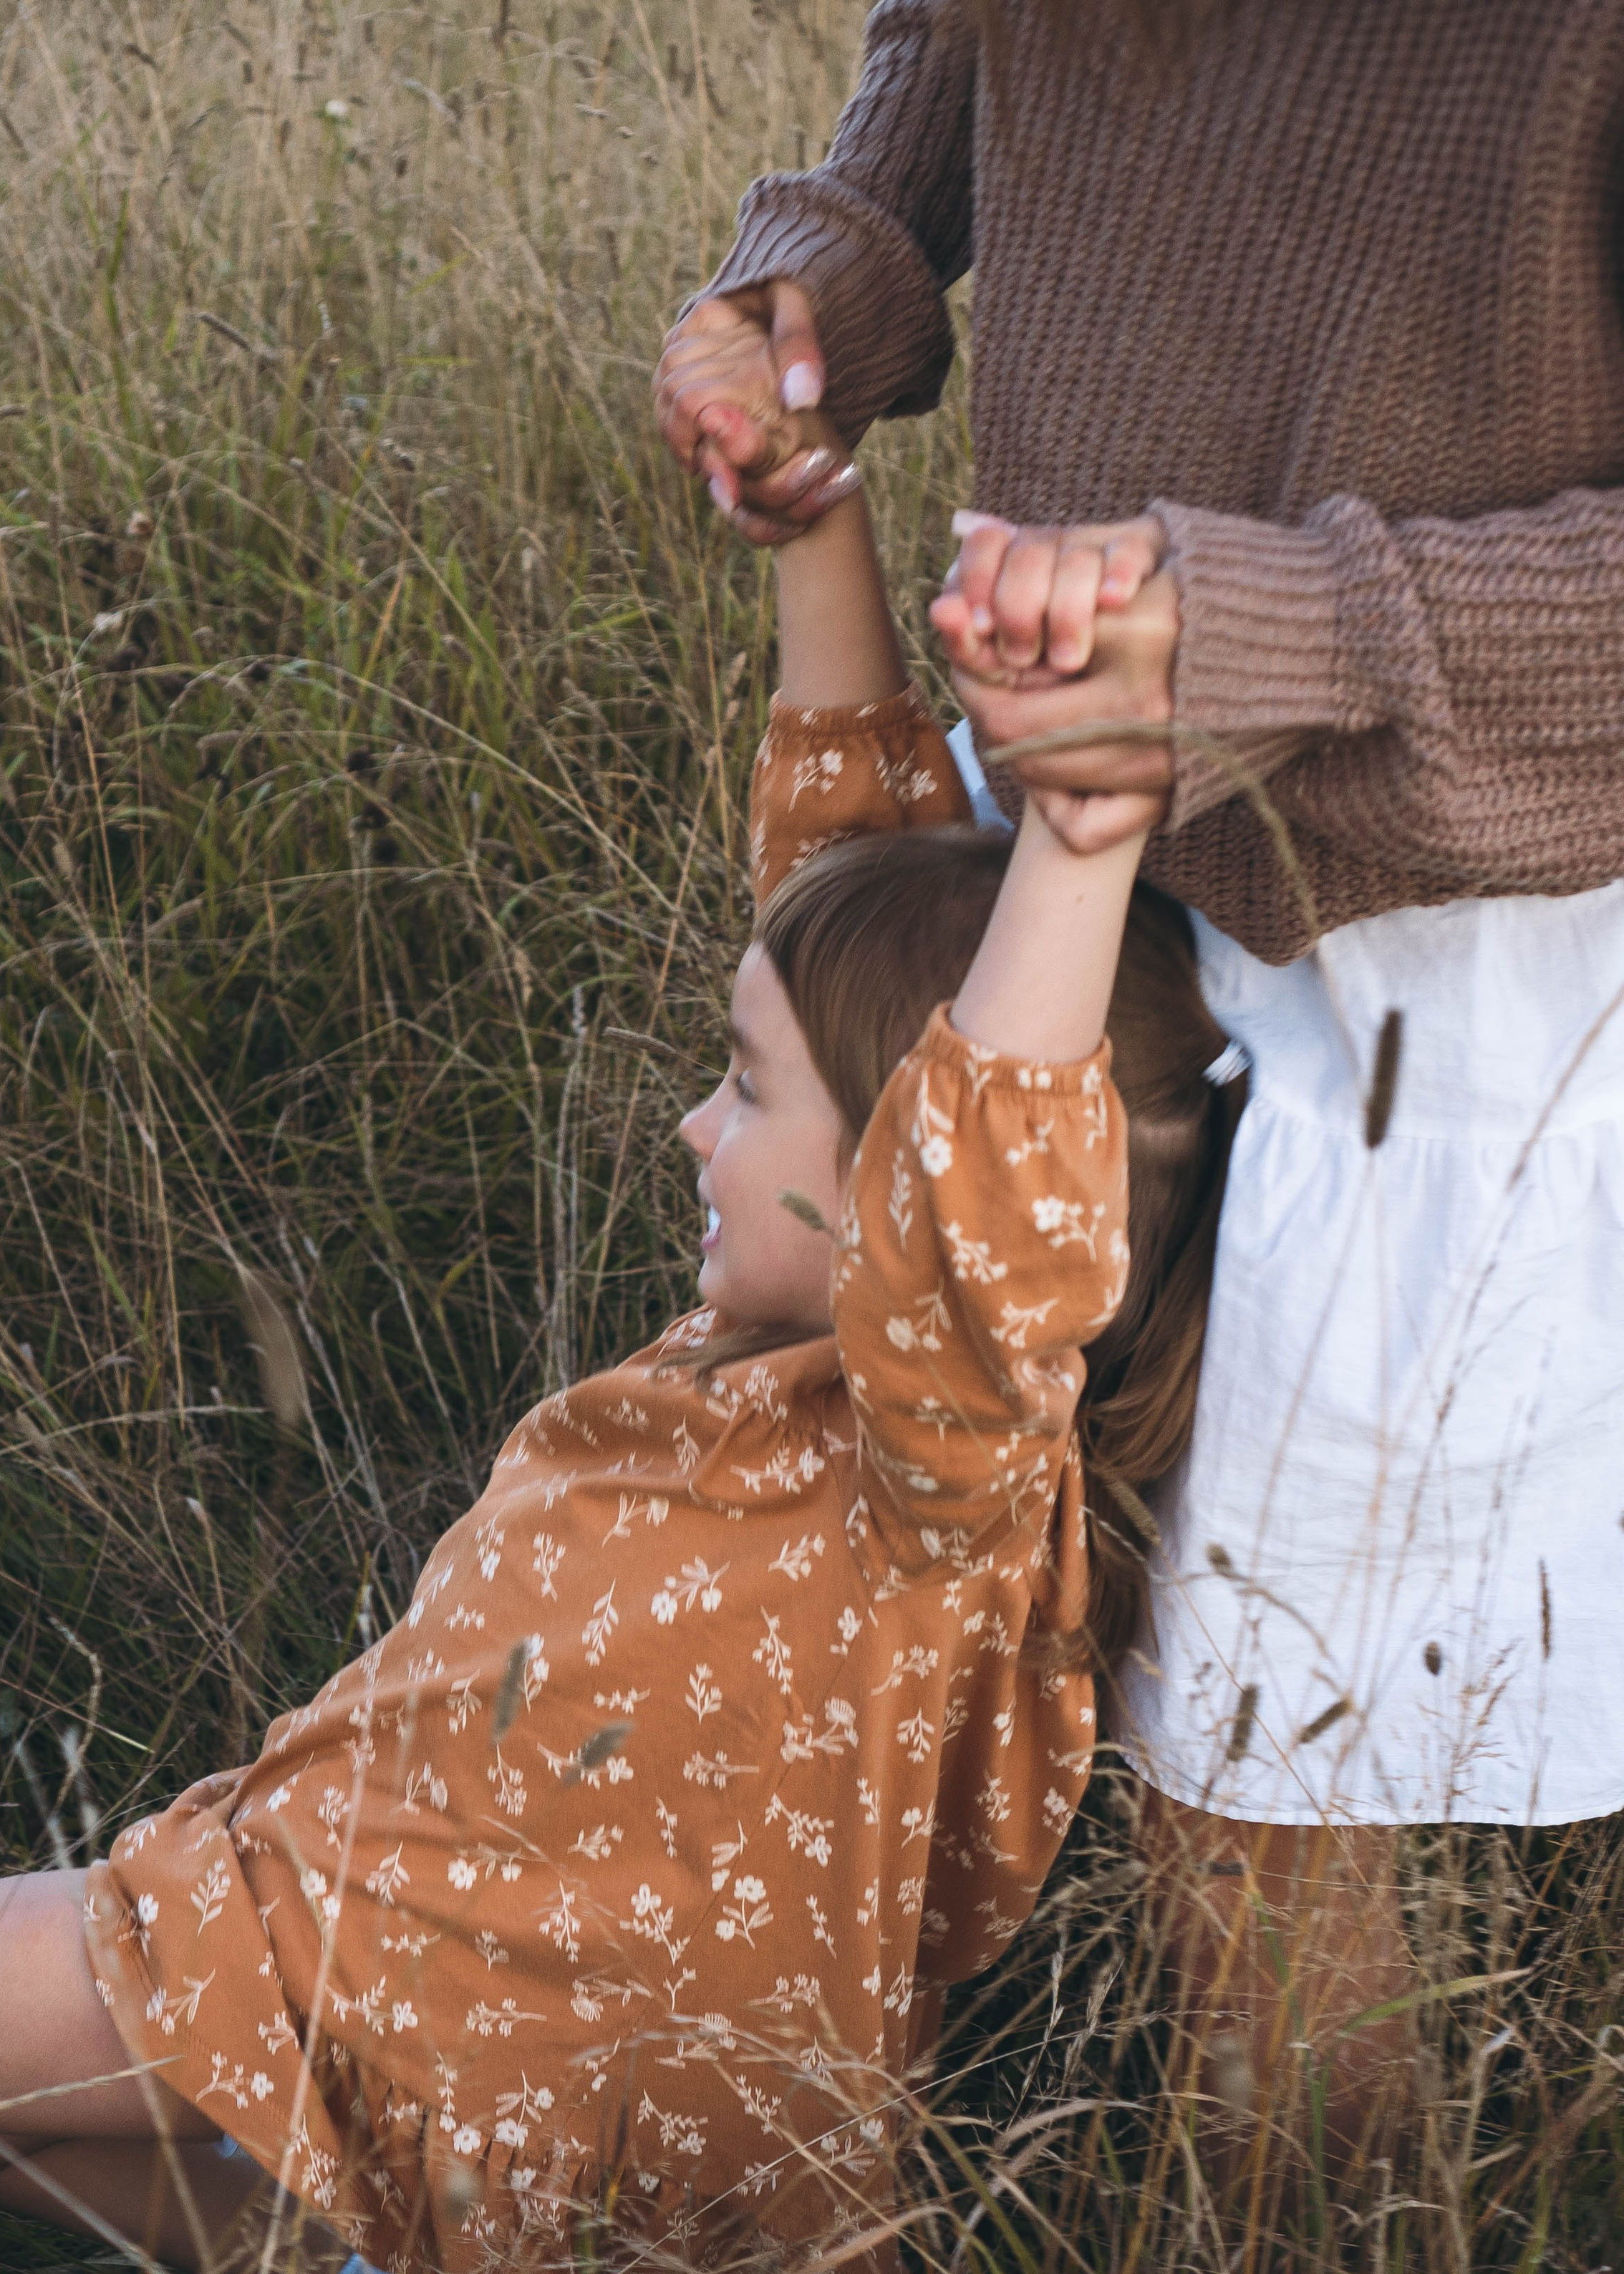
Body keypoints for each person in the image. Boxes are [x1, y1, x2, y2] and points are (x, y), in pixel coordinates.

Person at [0, 437, 1248, 2274]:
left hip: (347, 1974)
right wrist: (816, 523)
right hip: (437, 2057)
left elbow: (982, 1165)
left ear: (906, 1196)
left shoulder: (935, 1458)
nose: (693, 1122)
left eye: (743, 1092)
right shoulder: (821, 1386)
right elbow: (853, 899)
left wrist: (1087, 831)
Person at [654, 0, 1624, 2140]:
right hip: (1075, 834)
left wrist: (1290, 631)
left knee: (1262, 1766)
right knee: (1098, 1611)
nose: (681, 1130)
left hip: (1452, 932)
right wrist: (827, 285)